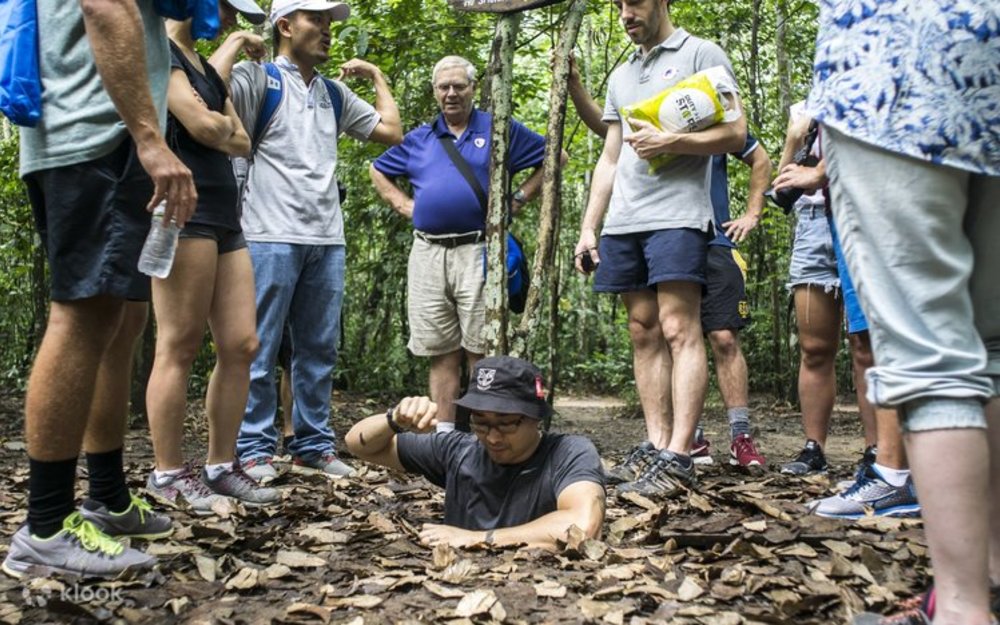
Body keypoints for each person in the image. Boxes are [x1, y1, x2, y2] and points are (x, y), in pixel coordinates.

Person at [808, 2, 998, 622]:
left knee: (929, 354)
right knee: (993, 342)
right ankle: (990, 579)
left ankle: (963, 609)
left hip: (893, 62)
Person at [2, 0, 197, 578]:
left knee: (112, 321)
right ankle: (46, 528)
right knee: (82, 317)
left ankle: (105, 496)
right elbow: (104, 7)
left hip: (90, 133)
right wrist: (149, 137)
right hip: (95, 134)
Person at [572, 0, 747, 497]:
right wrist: (590, 227)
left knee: (678, 327)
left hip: (678, 215)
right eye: (619, 5)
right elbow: (609, 158)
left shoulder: (700, 54)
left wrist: (673, 141)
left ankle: (679, 454)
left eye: (635, 2)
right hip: (625, 220)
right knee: (642, 330)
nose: (626, 13)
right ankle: (655, 447)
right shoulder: (622, 73)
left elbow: (735, 132)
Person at [224, 0, 403, 482]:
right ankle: (254, 449)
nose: (327, 30)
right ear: (285, 25)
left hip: (326, 237)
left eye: (329, 22)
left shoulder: (333, 93)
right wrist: (237, 42)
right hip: (267, 233)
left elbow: (391, 132)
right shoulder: (259, 78)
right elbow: (204, 98)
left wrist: (376, 77)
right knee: (259, 348)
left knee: (318, 348)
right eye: (316, 20)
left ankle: (313, 445)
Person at [144, 0, 281, 513]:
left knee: (242, 342)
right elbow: (203, 129)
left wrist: (215, 125)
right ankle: (167, 472)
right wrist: (214, 126)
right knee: (178, 343)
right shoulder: (161, 53)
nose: (229, 18)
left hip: (226, 213)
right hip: (183, 209)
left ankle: (222, 464)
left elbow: (240, 140)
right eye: (226, 7)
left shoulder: (203, 68)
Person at [369, 55, 551, 431]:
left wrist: (516, 199)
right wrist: (404, 205)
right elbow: (377, 168)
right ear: (435, 91)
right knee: (440, 351)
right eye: (443, 87)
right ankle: (445, 435)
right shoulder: (420, 137)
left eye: (459, 86)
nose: (451, 93)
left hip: (479, 251)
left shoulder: (498, 128)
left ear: (473, 88)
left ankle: (485, 434)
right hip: (428, 253)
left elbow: (554, 157)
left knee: (481, 350)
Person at [345, 356, 606, 549]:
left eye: (506, 423)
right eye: (480, 422)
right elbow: (359, 444)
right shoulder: (459, 449)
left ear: (535, 418)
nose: (492, 437)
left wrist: (476, 538)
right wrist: (394, 419)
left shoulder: (568, 453)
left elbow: (583, 527)